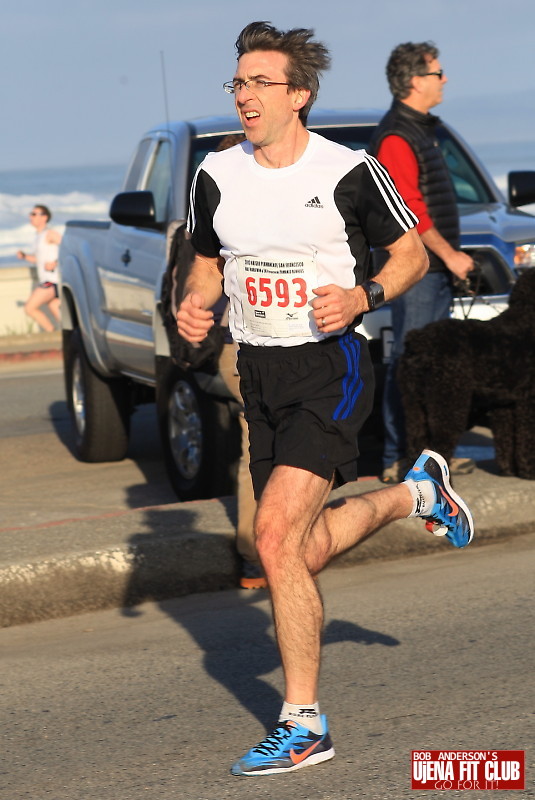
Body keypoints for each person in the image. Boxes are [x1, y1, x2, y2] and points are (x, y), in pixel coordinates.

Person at [177, 21, 474, 777]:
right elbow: (207, 262)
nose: (244, 95)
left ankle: (303, 723)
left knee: (274, 537)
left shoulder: (348, 171)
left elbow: (409, 255)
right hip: (258, 371)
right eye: (238, 82)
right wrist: (195, 302)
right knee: (297, 551)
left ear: (299, 94)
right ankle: (415, 495)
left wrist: (363, 295)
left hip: (329, 367)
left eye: (260, 82)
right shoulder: (216, 173)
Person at [368, 42, 475, 484]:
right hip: (418, 272)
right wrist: (450, 256)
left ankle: (434, 456)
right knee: (411, 362)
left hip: (434, 272)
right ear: (415, 81)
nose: (444, 79)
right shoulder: (397, 136)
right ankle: (400, 459)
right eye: (437, 73)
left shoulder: (423, 129)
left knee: (434, 364)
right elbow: (410, 211)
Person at [17, 204, 62, 332]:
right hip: (47, 280)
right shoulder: (38, 236)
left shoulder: (50, 233)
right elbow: (39, 259)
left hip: (51, 281)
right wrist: (25, 256)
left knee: (29, 308)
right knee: (54, 306)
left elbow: (68, 248)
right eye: (31, 214)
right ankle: (70, 335)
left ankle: (50, 333)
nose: (31, 217)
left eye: (34, 214)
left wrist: (55, 262)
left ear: (44, 217)